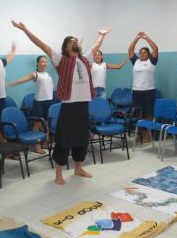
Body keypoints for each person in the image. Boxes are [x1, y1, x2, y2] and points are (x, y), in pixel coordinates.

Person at [11, 20, 109, 185]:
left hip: (83, 104)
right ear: (65, 47)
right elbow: (42, 45)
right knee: (65, 139)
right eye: (71, 42)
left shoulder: (85, 58)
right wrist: (25, 29)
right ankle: (58, 173)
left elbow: (96, 45)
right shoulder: (60, 59)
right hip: (69, 105)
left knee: (82, 139)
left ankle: (78, 167)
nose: (74, 43)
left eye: (76, 42)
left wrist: (101, 35)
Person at [7, 55, 55, 153]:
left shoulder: (47, 74)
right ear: (37, 63)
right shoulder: (35, 74)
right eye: (42, 62)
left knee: (46, 123)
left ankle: (46, 142)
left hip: (49, 101)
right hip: (39, 103)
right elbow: (22, 80)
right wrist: (11, 83)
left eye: (46, 62)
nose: (45, 63)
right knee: (37, 124)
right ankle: (36, 146)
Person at [128, 31, 159, 143]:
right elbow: (130, 50)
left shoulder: (152, 62)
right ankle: (140, 134)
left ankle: (147, 135)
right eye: (141, 53)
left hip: (148, 92)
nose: (142, 54)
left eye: (144, 53)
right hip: (136, 92)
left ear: (148, 54)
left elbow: (155, 49)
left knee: (148, 114)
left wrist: (146, 38)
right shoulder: (136, 61)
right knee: (138, 114)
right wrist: (136, 38)